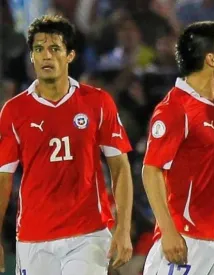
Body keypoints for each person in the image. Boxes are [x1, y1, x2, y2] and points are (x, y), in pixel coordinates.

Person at [0, 15, 134, 274]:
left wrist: (123, 228)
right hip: (33, 236)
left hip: (88, 233)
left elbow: (120, 167)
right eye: (38, 49)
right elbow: (3, 179)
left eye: (54, 49)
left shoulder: (97, 102)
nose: (45, 56)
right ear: (31, 57)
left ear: (70, 55)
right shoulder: (13, 111)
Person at [142, 21, 214, 275]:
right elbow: (151, 171)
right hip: (186, 240)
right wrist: (168, 232)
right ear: (211, 59)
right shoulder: (175, 109)